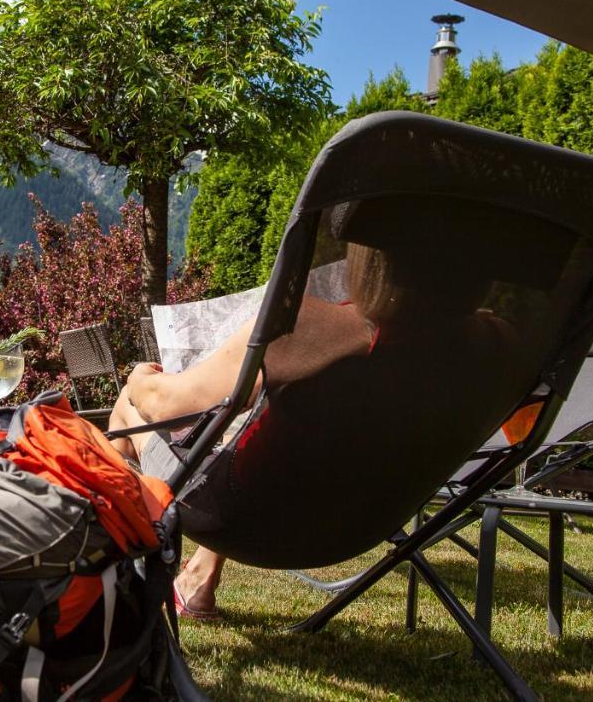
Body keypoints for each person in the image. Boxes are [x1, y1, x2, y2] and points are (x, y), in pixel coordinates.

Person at [109, 239, 516, 619]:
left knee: (129, 408)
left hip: (241, 520)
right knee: (258, 443)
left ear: (369, 262)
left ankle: (106, 584)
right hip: (364, 524)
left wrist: (139, 379)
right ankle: (198, 576)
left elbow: (168, 405)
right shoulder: (496, 343)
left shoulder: (309, 324)